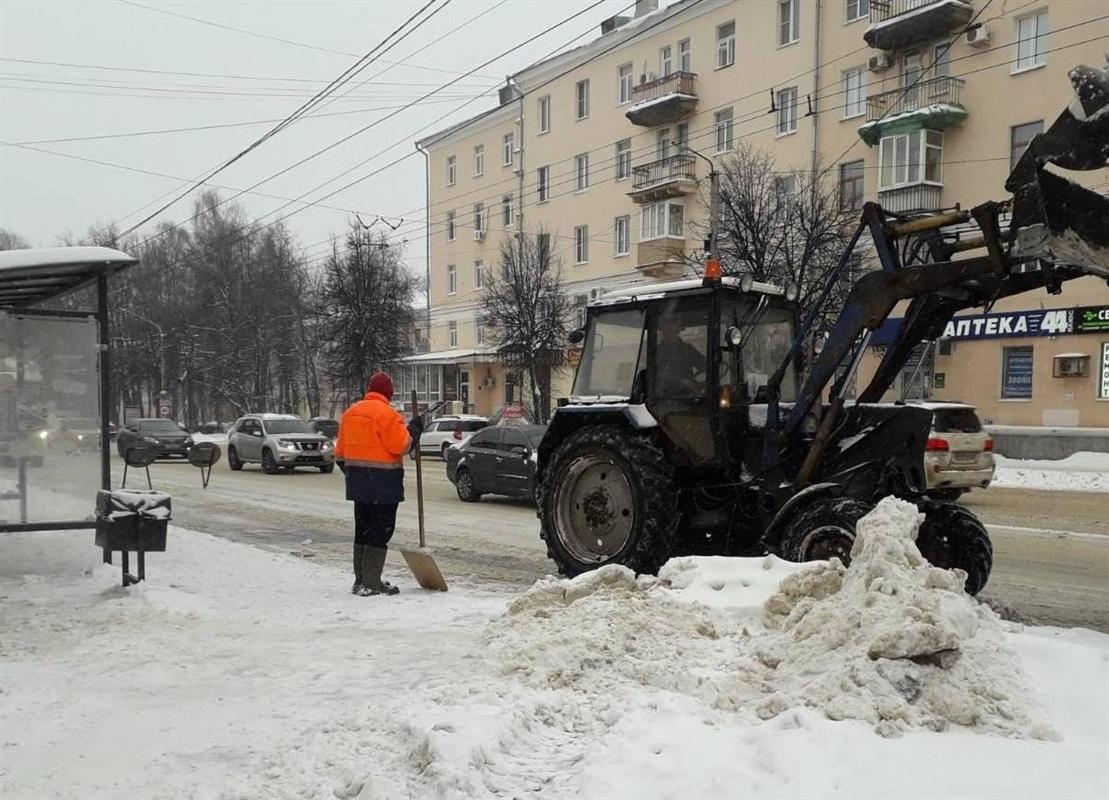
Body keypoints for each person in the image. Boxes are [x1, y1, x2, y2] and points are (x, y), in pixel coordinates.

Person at [334, 372, 423, 596]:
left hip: (359, 484)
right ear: (388, 392)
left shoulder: (350, 413)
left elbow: (340, 454)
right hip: (383, 484)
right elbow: (401, 445)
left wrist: (357, 475)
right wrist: (414, 431)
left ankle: (361, 580)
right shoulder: (387, 414)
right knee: (380, 531)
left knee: (362, 530)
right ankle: (370, 582)